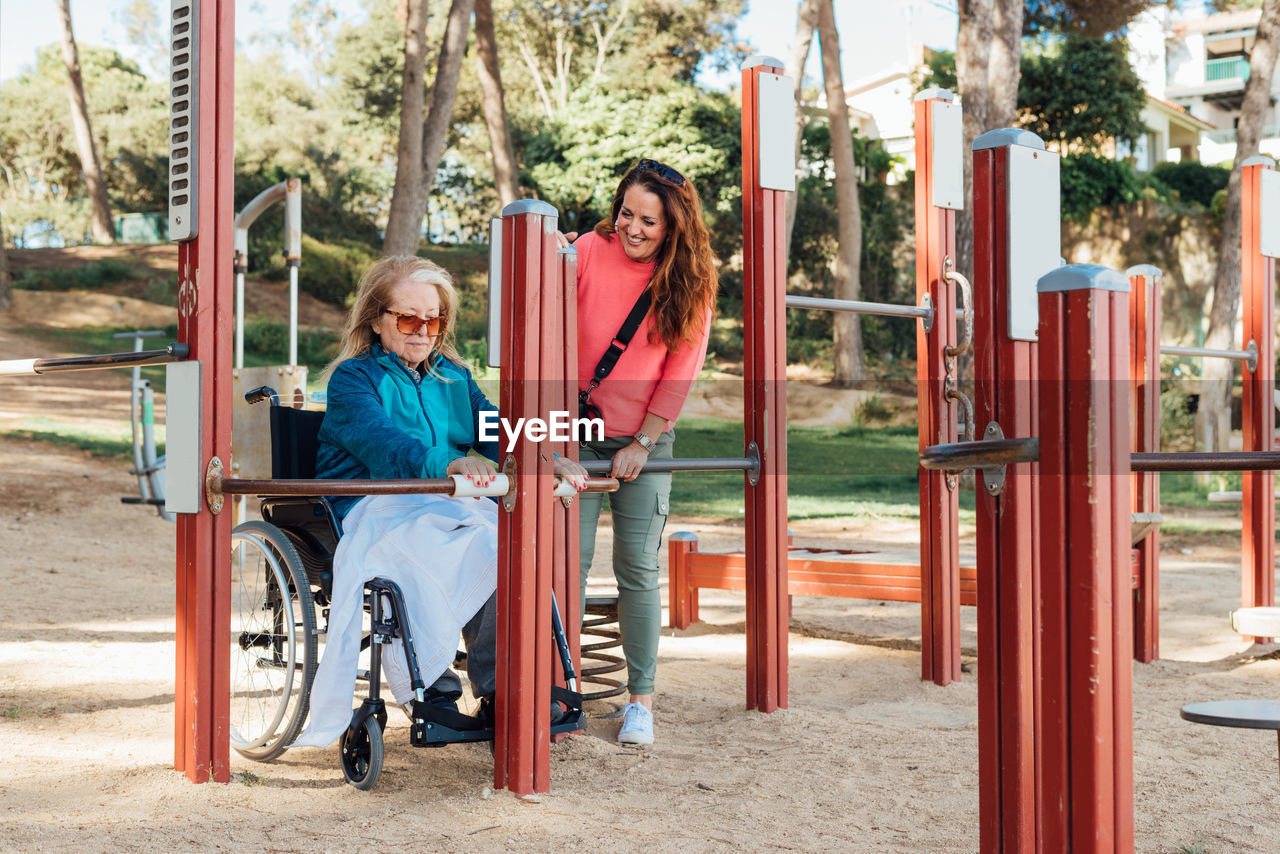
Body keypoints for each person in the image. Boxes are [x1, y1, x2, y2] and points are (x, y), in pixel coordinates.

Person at [292, 255, 586, 748]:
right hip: (373, 504)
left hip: (441, 500)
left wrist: (544, 458)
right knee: (427, 553)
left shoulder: (452, 376)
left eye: (434, 319)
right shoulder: (353, 379)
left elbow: (496, 430)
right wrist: (445, 463)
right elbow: (382, 442)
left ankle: (500, 691)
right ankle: (434, 694)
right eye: (408, 318)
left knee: (504, 545)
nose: (422, 331)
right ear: (377, 319)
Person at [568, 158, 718, 746]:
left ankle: (640, 701)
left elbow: (681, 369)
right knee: (566, 565)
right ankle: (563, 691)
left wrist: (644, 443)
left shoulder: (691, 280)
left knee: (637, 567)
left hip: (645, 436)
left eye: (648, 221)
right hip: (571, 431)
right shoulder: (586, 250)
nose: (632, 227)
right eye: (626, 213)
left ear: (673, 226)